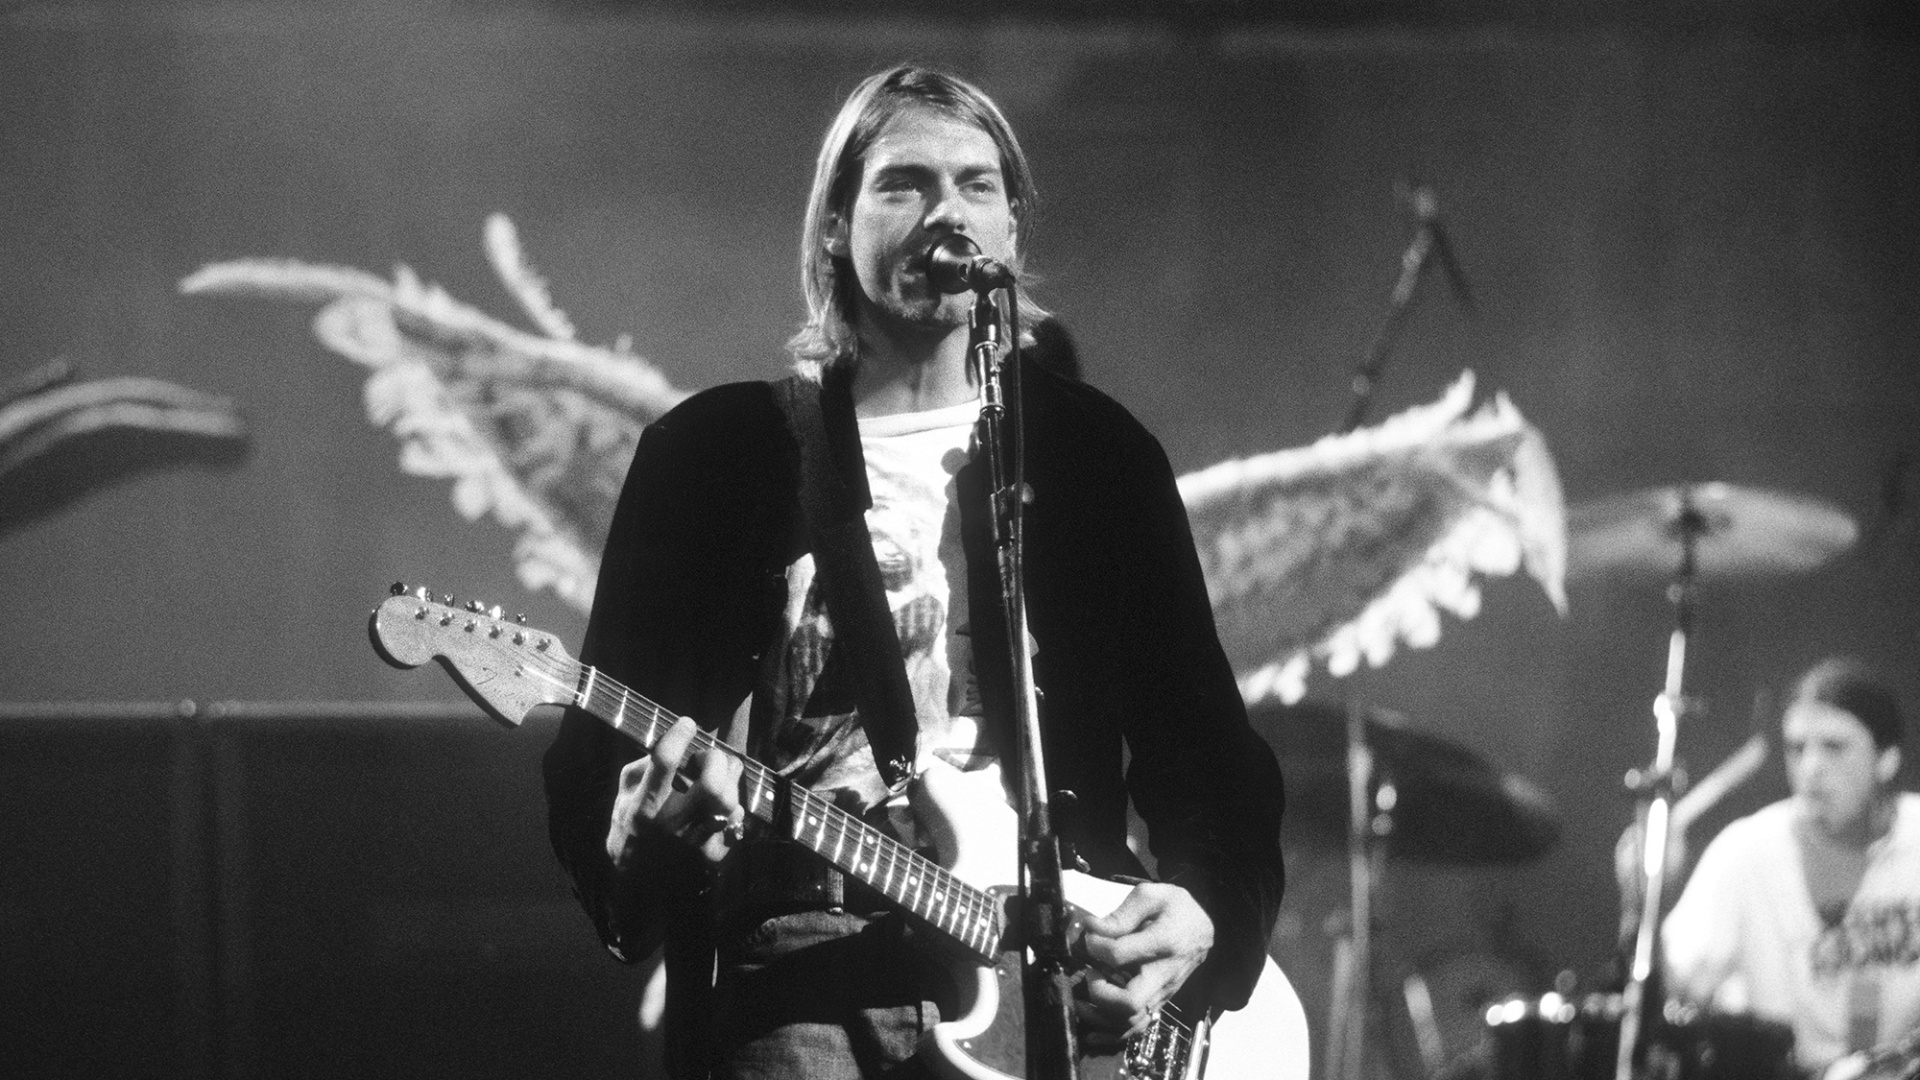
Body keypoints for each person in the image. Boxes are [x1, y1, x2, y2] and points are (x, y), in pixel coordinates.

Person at [542, 64, 1286, 1080]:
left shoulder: (1096, 457)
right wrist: (642, 841)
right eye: (904, 183)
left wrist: (1206, 913)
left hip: (1056, 974)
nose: (947, 212)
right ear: (834, 228)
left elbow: (1206, 755)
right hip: (803, 967)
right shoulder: (717, 455)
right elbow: (598, 766)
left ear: (1010, 230)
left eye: (977, 185)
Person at [1662, 657, 1920, 1074]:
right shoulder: (1746, 850)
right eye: (1797, 748)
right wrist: (1650, 896)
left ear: (1886, 759)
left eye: (1834, 747)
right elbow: (1674, 988)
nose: (1811, 768)